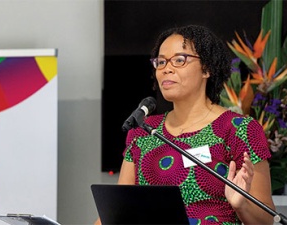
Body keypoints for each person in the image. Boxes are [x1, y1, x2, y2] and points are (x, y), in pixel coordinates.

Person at [95, 24, 275, 225]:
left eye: (179, 60)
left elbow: (266, 220)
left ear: (206, 68)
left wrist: (241, 205)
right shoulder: (143, 132)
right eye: (161, 62)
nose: (166, 69)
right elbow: (117, 211)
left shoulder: (239, 128)